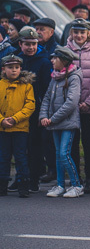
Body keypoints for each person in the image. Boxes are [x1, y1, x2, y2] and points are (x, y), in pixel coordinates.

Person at [66, 19, 90, 194]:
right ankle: (76, 179)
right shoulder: (65, 51)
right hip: (70, 107)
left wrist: (89, 102)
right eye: (76, 32)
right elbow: (61, 77)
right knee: (71, 144)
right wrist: (72, 102)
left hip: (89, 107)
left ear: (88, 33)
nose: (79, 36)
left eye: (83, 32)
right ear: (72, 33)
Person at [40, 46, 83, 198]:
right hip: (54, 122)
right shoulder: (55, 77)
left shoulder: (74, 77)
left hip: (68, 123)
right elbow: (46, 98)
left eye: (55, 58)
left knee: (64, 153)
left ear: (63, 61)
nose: (51, 60)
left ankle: (77, 185)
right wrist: (43, 116)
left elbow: (71, 103)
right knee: (58, 154)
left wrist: (52, 118)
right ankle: (60, 185)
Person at [15, 28, 52, 193]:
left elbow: (47, 89)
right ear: (20, 44)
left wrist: (44, 112)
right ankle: (20, 177)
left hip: (37, 110)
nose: (31, 47)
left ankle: (34, 179)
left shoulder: (44, 62)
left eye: (34, 44)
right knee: (20, 147)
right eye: (27, 44)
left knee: (35, 146)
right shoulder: (17, 61)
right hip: (18, 111)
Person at [0, 54, 35, 198]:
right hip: (3, 128)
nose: (13, 70)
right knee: (3, 157)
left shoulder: (27, 86)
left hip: (20, 128)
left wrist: (15, 119)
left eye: (16, 67)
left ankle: (23, 185)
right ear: (3, 69)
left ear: (21, 68)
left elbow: (30, 106)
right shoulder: (1, 85)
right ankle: (2, 185)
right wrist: (2, 120)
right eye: (10, 67)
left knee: (20, 157)